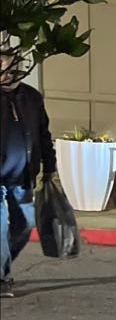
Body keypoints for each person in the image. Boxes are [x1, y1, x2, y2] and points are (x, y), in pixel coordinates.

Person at [0, 48, 56, 297]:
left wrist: (49, 168)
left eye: (8, 62)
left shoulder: (31, 98)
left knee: (24, 225)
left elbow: (44, 135)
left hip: (23, 175)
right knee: (0, 227)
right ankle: (2, 278)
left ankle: (2, 266)